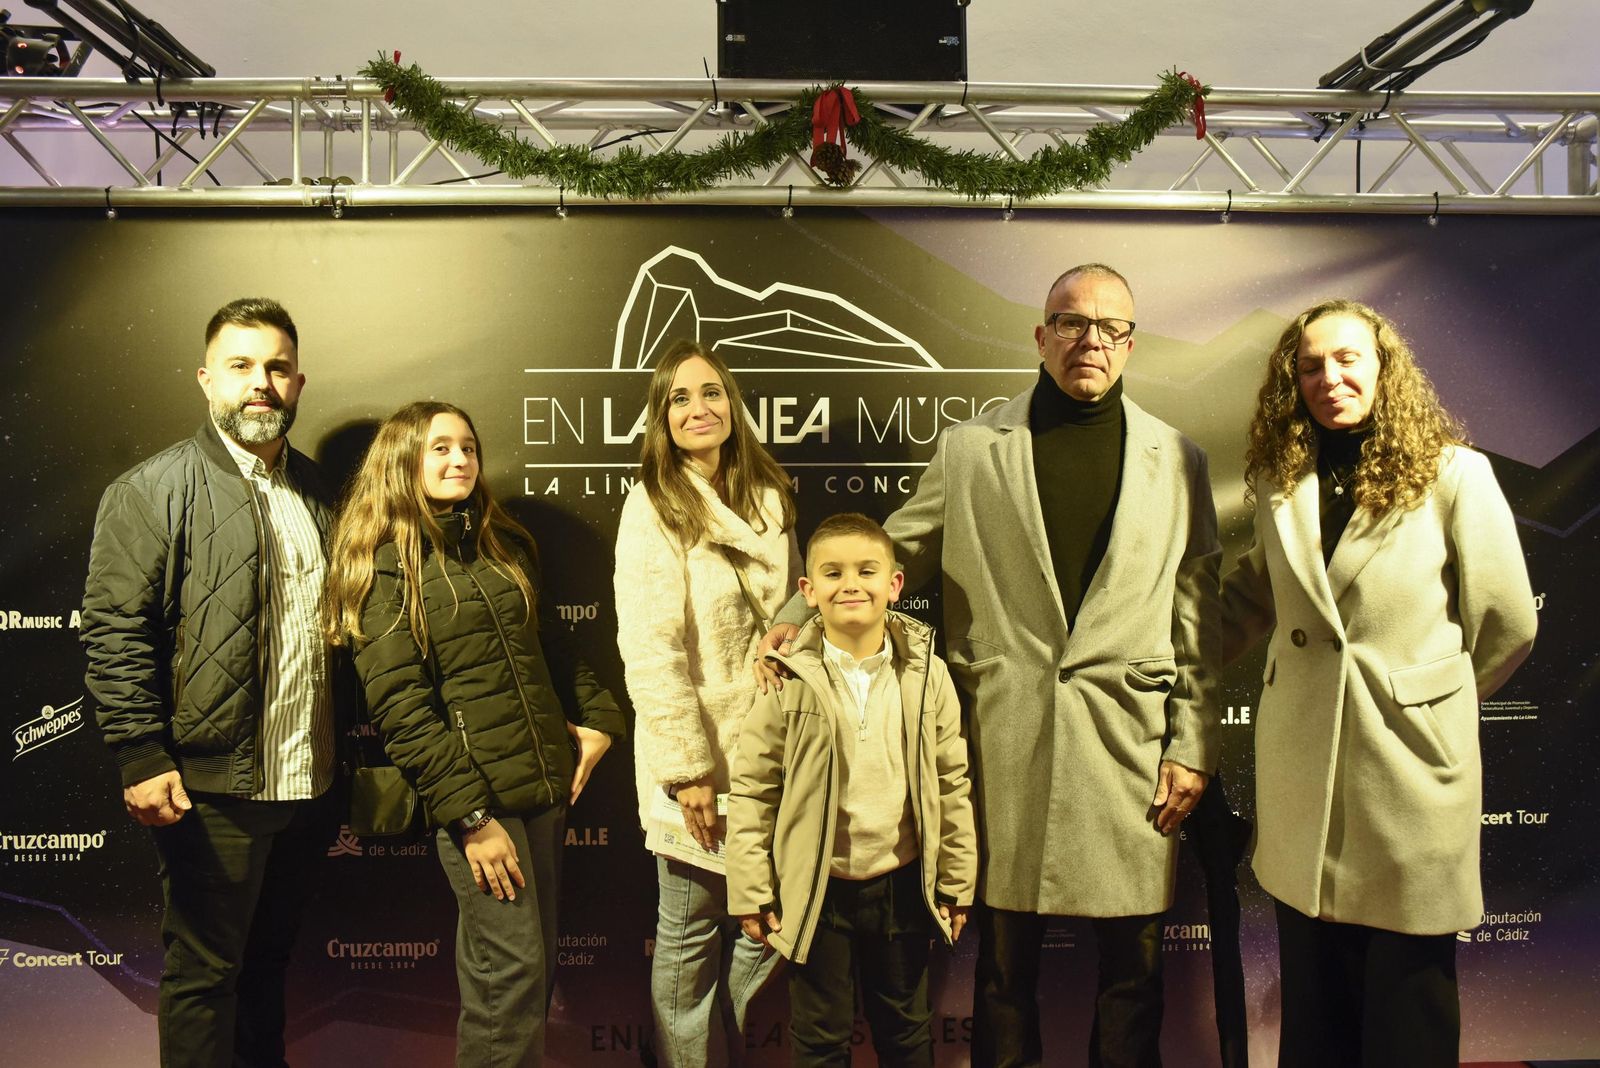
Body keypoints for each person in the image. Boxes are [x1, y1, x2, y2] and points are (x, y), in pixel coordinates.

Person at [761, 262, 1221, 1067]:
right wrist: (799, 613)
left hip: (1134, 747)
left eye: (1111, 328)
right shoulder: (973, 448)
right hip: (1004, 740)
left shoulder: (1178, 460)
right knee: (1006, 970)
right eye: (1073, 322)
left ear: (1131, 345)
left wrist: (1192, 743)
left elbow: (1197, 613)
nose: (1091, 341)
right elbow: (897, 545)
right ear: (1040, 335)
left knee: (1134, 974)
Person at [1220, 299, 1536, 1067]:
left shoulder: (1454, 475)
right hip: (1303, 775)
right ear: (1292, 382)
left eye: (1347, 359)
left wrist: (1428, 703)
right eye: (1310, 366)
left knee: (1408, 1011)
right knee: (1317, 1014)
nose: (1329, 378)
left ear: (1382, 367)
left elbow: (1509, 624)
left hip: (1407, 774)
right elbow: (1251, 599)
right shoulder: (1278, 480)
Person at [81, 297, 346, 1068]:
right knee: (204, 977)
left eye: (275, 368)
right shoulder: (151, 490)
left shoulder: (324, 495)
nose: (259, 383)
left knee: (267, 971)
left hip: (308, 785)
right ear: (207, 380)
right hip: (212, 791)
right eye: (240, 367)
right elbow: (115, 631)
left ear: (298, 383)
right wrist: (140, 752)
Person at [324, 400, 622, 1067]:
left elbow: (547, 644)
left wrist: (599, 718)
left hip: (542, 786)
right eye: (439, 449)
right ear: (403, 463)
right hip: (479, 803)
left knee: (527, 972)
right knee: (508, 980)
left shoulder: (501, 543)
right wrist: (470, 817)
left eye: (468, 447)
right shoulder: (383, 567)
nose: (459, 460)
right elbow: (400, 708)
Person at [726, 512, 978, 1067]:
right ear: (808, 590)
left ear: (894, 585)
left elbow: (952, 781)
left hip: (902, 885)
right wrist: (750, 887)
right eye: (833, 573)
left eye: (867, 571)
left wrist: (956, 881)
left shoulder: (927, 674)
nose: (851, 585)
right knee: (819, 1040)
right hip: (818, 890)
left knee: (907, 1035)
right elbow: (752, 791)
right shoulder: (786, 676)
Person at [613, 339, 799, 1067]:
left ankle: (729, 1047)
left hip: (773, 754)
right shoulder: (653, 507)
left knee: (769, 927)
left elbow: (792, 611)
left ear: (733, 404)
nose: (699, 409)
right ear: (661, 418)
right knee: (688, 939)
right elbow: (651, 650)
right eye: (680, 398)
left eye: (711, 393)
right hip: (699, 762)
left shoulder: (770, 497)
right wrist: (688, 769)